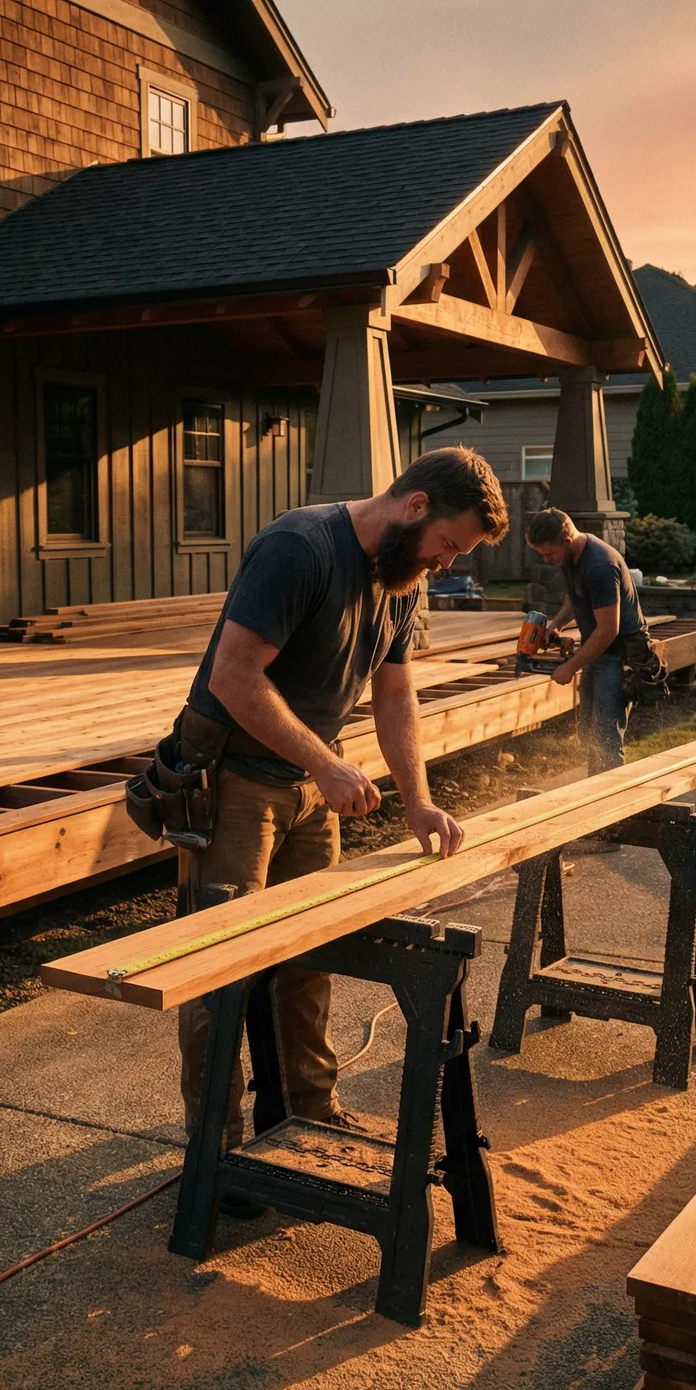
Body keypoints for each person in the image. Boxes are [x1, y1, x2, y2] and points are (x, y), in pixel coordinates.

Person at [174, 446, 509, 1208]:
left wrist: (418, 800)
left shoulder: (400, 578)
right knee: (217, 969)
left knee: (310, 958)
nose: (443, 564)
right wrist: (326, 763)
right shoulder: (301, 548)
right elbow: (233, 676)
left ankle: (309, 1116)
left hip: (305, 789)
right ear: (415, 506)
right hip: (232, 781)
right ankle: (217, 1157)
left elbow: (395, 697)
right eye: (447, 546)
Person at [525, 506, 646, 774]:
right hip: (598, 653)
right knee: (590, 734)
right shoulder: (571, 558)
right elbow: (575, 597)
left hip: (618, 657)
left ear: (566, 542)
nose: (547, 560)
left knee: (606, 739)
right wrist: (556, 625)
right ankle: (594, 795)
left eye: (549, 553)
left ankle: (612, 807)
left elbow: (608, 630)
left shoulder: (599, 566)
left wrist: (571, 666)